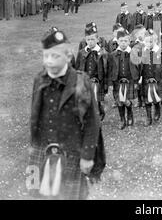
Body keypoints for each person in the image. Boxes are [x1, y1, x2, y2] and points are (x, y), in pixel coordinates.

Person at [28, 28, 100, 200]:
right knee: (40, 194)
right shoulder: (39, 79)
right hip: (42, 151)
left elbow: (92, 122)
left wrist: (88, 156)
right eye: (46, 56)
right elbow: (35, 117)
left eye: (55, 56)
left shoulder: (82, 82)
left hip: (72, 153)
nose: (49, 62)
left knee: (72, 196)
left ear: (68, 57)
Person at [75, 23, 108, 121]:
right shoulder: (82, 52)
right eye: (88, 39)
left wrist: (105, 83)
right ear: (85, 40)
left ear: (97, 40)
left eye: (93, 39)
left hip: (97, 81)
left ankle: (99, 113)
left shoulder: (102, 53)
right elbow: (77, 67)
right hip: (85, 80)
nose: (90, 42)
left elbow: (106, 68)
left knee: (96, 99)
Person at [108, 29, 139, 129]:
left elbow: (139, 67)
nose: (123, 43)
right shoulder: (112, 55)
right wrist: (110, 83)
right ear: (117, 41)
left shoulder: (133, 53)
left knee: (127, 100)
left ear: (129, 41)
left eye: (125, 41)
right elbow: (110, 69)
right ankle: (122, 119)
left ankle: (130, 114)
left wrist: (136, 80)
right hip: (117, 81)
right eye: (121, 41)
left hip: (129, 80)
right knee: (119, 101)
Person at [136, 30, 162, 127]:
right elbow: (139, 66)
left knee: (156, 96)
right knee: (146, 98)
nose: (149, 43)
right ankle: (148, 117)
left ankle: (157, 109)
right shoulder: (142, 51)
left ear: (156, 41)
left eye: (151, 41)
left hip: (157, 79)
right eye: (147, 41)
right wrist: (139, 77)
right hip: (146, 79)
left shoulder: (159, 52)